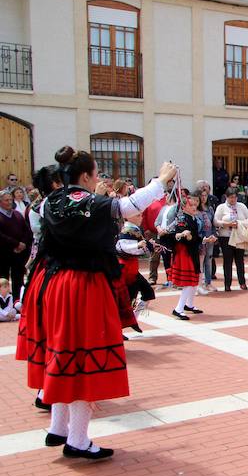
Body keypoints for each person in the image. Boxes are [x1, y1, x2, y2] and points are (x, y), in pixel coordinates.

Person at [16, 147, 176, 459]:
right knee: (84, 359)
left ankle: (58, 426)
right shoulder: (89, 201)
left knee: (63, 353)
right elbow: (128, 206)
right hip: (83, 286)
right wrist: (161, 180)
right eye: (97, 174)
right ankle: (77, 439)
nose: (99, 179)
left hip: (51, 284)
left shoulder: (50, 201)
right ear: (87, 176)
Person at [162, 192, 203, 320]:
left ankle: (189, 305)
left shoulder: (193, 218)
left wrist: (204, 239)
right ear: (184, 207)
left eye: (196, 204)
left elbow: (195, 237)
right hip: (184, 253)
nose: (194, 207)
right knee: (189, 282)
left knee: (195, 279)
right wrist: (185, 235)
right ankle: (178, 309)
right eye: (191, 205)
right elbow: (177, 236)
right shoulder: (182, 219)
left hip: (192, 251)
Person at [214, 187, 248, 291]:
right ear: (226, 197)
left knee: (240, 260)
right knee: (227, 260)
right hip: (226, 236)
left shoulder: (241, 206)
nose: (233, 200)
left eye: (235, 197)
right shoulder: (221, 207)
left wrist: (241, 223)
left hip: (239, 236)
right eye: (231, 198)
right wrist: (226, 224)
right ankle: (227, 284)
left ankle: (242, 282)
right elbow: (216, 221)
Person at [0, 189, 33, 300]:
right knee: (3, 278)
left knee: (18, 279)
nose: (9, 202)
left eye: (10, 199)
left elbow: (26, 230)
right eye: (6, 200)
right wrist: (16, 244)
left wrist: (23, 244)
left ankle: (16, 301)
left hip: (19, 254)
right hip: (4, 253)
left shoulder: (17, 214)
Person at [195, 189, 218, 294]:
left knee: (208, 260)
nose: (204, 198)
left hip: (210, 238)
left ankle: (208, 282)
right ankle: (198, 284)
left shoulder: (209, 209)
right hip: (201, 239)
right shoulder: (195, 210)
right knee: (199, 262)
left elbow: (213, 223)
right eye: (202, 196)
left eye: (205, 195)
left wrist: (214, 235)